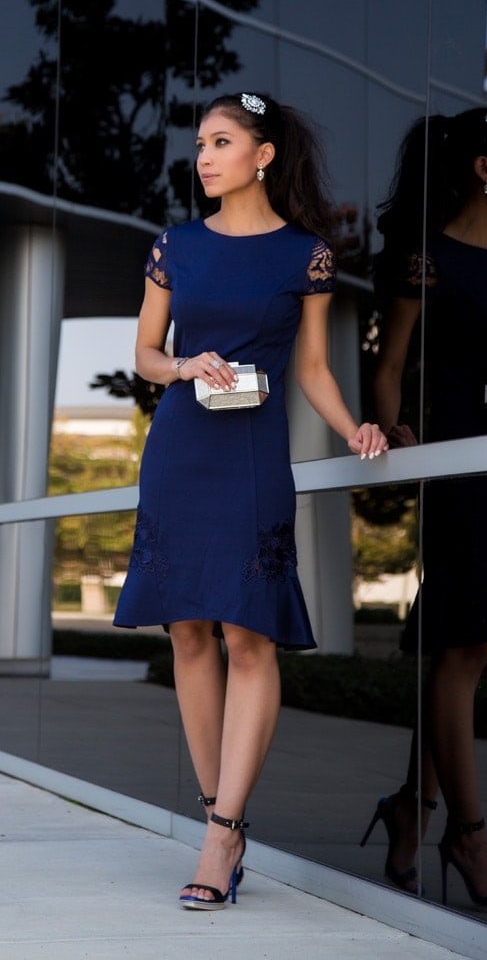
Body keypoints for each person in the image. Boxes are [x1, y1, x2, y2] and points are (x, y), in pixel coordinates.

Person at [113, 90, 388, 910]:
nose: (203, 156)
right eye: (200, 142)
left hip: (253, 458)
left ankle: (223, 830)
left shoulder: (304, 255)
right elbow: (144, 353)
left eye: (221, 141)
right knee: (189, 630)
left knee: (249, 631)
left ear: (262, 155)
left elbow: (310, 368)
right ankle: (219, 820)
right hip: (180, 450)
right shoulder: (176, 247)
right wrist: (185, 365)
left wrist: (354, 428)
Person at [364, 107, 487, 912]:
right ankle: (465, 834)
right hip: (456, 465)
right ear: (484, 167)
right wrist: (393, 425)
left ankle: (413, 807)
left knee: (469, 644)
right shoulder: (426, 261)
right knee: (464, 644)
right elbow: (390, 363)